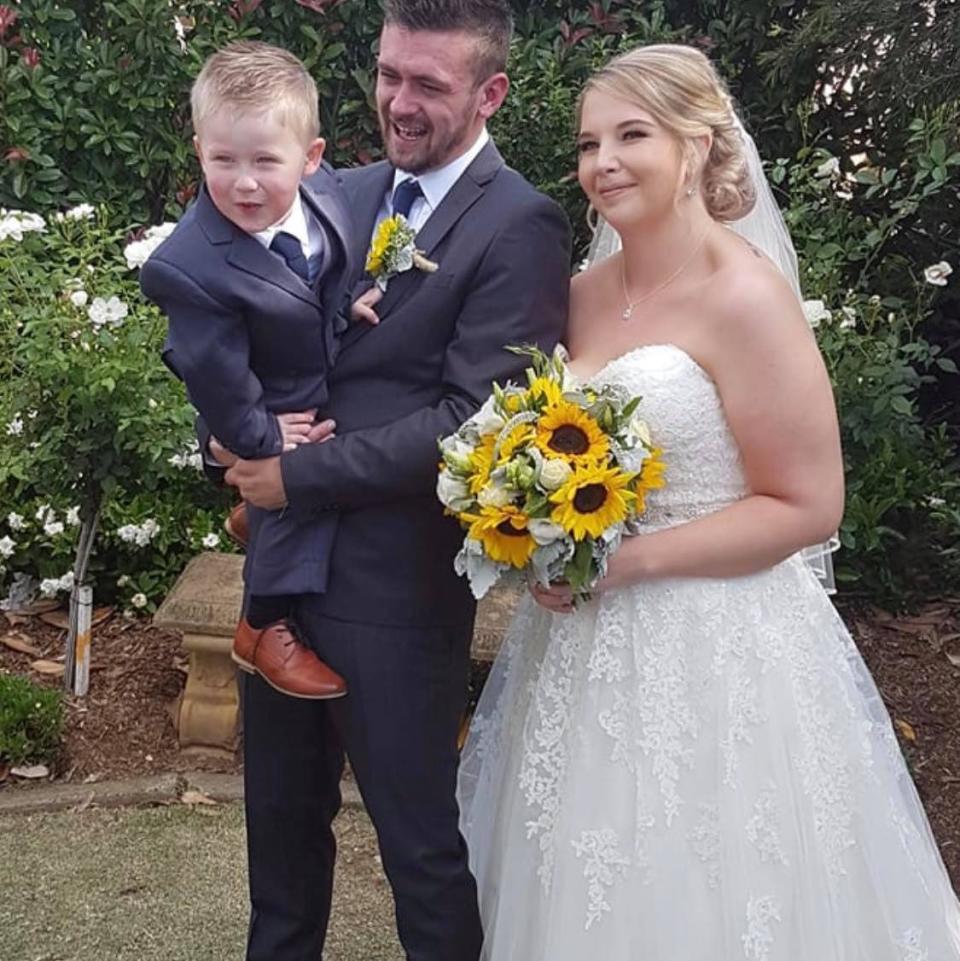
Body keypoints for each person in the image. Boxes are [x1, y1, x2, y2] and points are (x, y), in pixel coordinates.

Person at [458, 44, 960, 960]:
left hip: (720, 644)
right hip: (577, 650)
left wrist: (625, 560)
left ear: (696, 145)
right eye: (587, 143)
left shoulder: (746, 298)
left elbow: (808, 504)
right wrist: (539, 540)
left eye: (631, 134)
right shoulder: (574, 296)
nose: (601, 162)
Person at [215, 1, 572, 958]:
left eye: (427, 85)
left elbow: (474, 422)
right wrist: (235, 432)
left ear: (490, 92)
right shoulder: (337, 186)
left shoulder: (521, 224)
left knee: (419, 850)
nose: (397, 102)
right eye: (386, 75)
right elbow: (250, 321)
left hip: (395, 589)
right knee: (280, 849)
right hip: (282, 585)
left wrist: (294, 474)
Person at [141, 41, 352, 700]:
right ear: (199, 149)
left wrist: (360, 297)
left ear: (311, 159)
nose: (244, 182)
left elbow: (332, 273)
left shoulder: (328, 197)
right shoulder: (188, 265)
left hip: (316, 379)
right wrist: (261, 442)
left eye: (266, 160)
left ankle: (251, 517)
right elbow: (214, 375)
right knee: (290, 481)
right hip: (262, 402)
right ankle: (260, 626)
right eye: (223, 160)